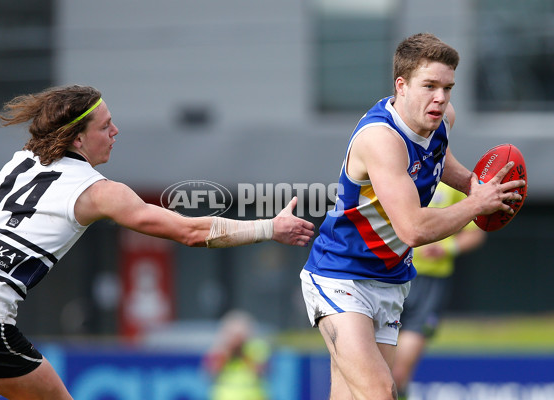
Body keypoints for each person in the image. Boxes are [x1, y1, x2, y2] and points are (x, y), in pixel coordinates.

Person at [0, 84, 315, 400]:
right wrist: (269, 228)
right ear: (77, 139)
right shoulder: (96, 191)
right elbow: (191, 232)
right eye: (105, 125)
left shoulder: (18, 164)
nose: (115, 130)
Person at [299, 32, 525, 400]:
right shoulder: (381, 140)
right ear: (401, 86)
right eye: (429, 86)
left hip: (390, 280)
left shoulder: (442, 119)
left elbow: (440, 159)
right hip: (340, 275)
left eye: (447, 88)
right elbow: (413, 229)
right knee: (380, 391)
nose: (440, 98)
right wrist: (475, 204)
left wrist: (474, 185)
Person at [391, 182, 487, 399]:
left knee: (397, 374)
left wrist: (445, 248)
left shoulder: (452, 183)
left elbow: (475, 234)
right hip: (388, 277)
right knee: (379, 371)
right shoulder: (392, 172)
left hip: (429, 283)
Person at [204, 310, 270, 400]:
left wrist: (243, 352)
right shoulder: (219, 349)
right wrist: (228, 352)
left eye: (239, 335)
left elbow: (262, 372)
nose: (237, 339)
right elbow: (210, 373)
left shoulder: (256, 348)